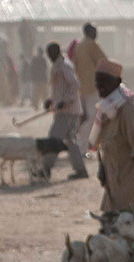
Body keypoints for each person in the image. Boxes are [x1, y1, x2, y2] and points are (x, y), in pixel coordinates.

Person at [87, 59, 134, 211]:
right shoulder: (106, 108)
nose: (99, 86)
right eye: (97, 81)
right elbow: (101, 143)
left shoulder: (127, 108)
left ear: (117, 82)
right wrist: (102, 168)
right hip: (113, 187)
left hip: (133, 189)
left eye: (104, 81)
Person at [42, 42, 87, 180]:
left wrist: (65, 102)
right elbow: (59, 89)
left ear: (56, 52)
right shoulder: (57, 66)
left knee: (54, 139)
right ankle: (80, 170)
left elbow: (75, 86)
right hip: (66, 110)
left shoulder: (64, 66)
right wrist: (51, 101)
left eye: (51, 54)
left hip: (68, 111)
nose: (49, 57)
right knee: (72, 142)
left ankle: (45, 169)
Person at [74, 23, 107, 144]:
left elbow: (75, 66)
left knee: (86, 117)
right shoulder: (92, 45)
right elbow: (103, 62)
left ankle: (84, 144)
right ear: (90, 32)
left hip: (82, 87)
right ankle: (81, 145)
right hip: (93, 86)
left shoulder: (79, 46)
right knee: (92, 118)